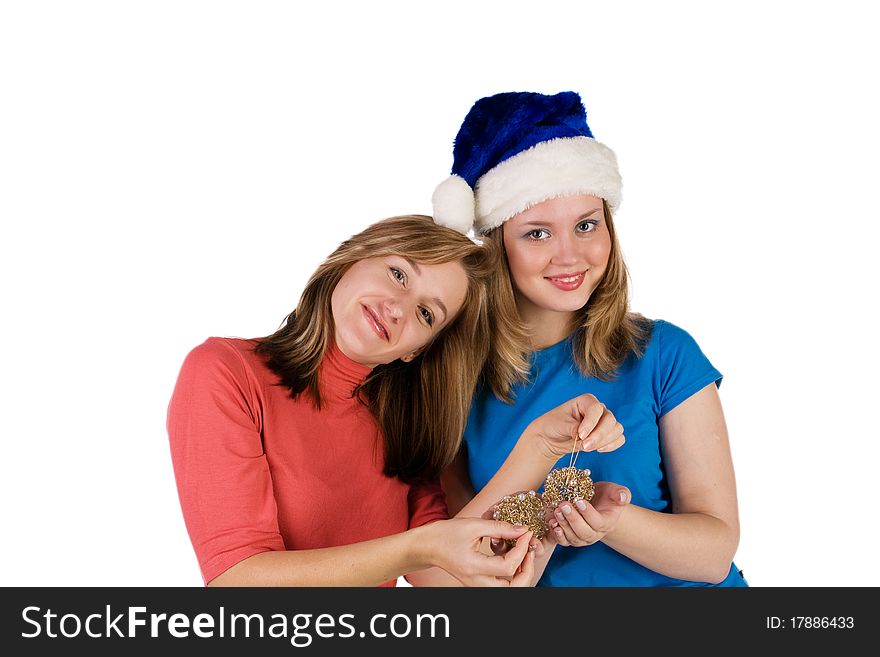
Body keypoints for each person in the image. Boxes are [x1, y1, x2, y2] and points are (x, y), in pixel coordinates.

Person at [167, 214, 625, 587]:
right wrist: (417, 547)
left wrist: (541, 448)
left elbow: (442, 583)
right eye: (399, 274)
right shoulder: (226, 372)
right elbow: (236, 582)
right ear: (354, 257)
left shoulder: (404, 425)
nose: (397, 308)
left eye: (427, 313)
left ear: (417, 349)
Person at [432, 91, 747, 587]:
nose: (570, 256)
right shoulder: (452, 379)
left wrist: (610, 520)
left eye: (586, 225)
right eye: (537, 233)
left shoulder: (663, 354)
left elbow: (713, 553)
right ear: (497, 246)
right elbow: (461, 567)